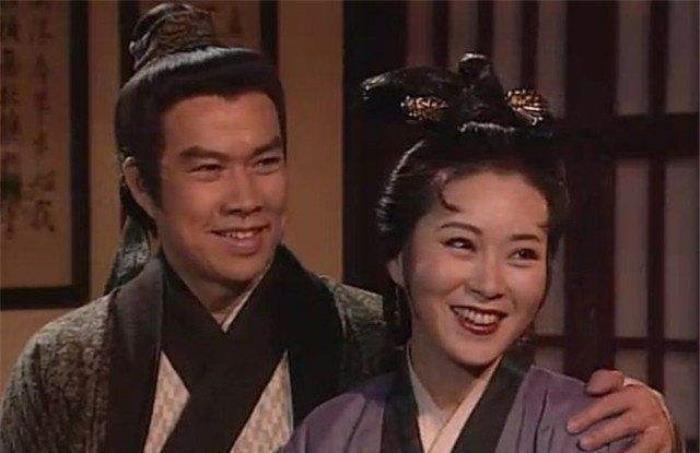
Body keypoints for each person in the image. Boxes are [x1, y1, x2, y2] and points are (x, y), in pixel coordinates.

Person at [0, 4, 675, 453]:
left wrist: (646, 423)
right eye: (208, 168)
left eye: (266, 161)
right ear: (142, 185)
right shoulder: (67, 363)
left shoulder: (372, 329)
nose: (246, 198)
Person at [283, 54, 679, 452]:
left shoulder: (592, 431)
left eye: (522, 254)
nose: (489, 284)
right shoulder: (330, 435)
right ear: (398, 257)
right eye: (461, 244)